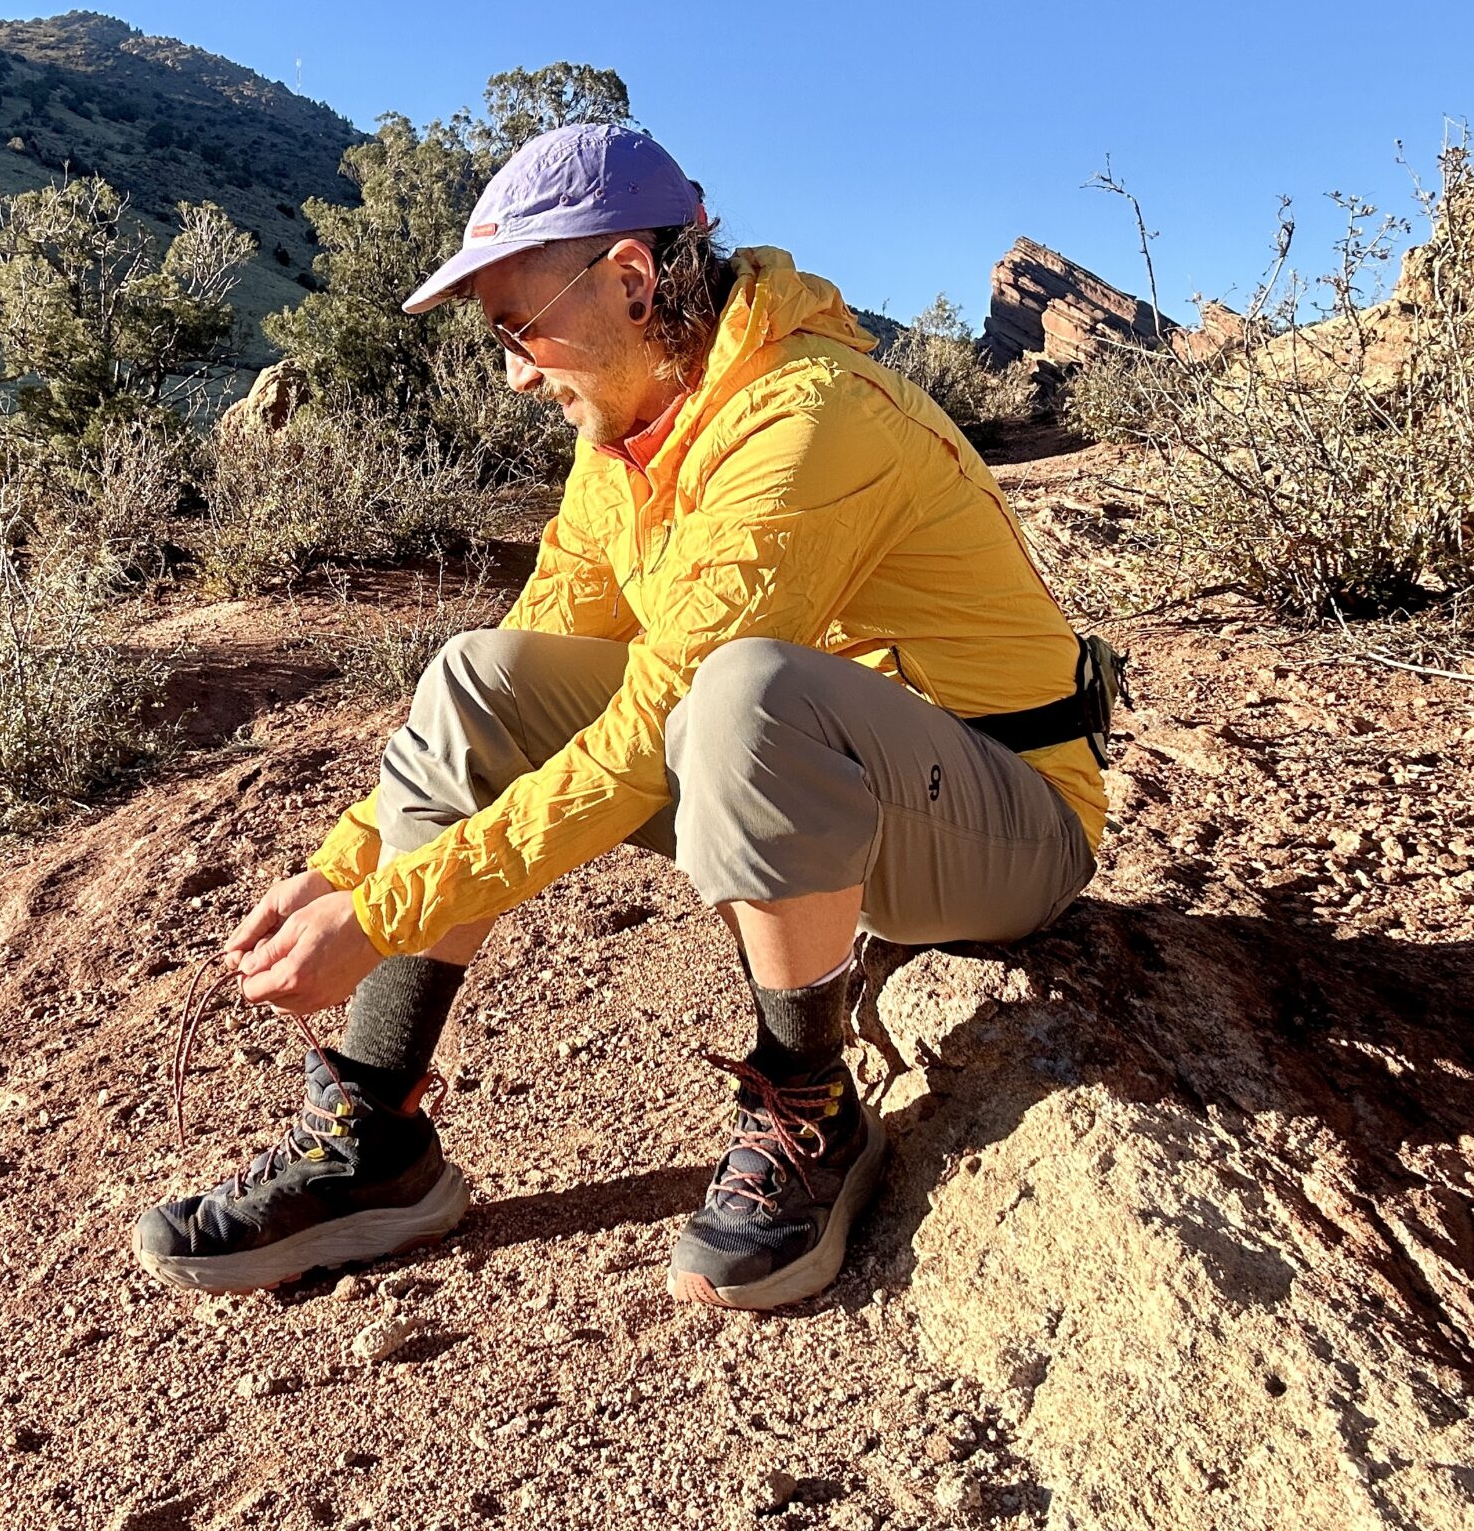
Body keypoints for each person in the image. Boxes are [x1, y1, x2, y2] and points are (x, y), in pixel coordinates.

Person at [135, 124, 1104, 1309]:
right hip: (860, 795)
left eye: (515, 328)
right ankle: (374, 1134)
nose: (513, 373)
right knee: (479, 672)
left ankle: (812, 1103)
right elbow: (544, 652)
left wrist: (384, 912)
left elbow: (651, 730)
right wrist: (338, 864)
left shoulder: (807, 416)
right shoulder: (633, 433)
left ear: (635, 281)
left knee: (740, 693)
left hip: (1012, 826)